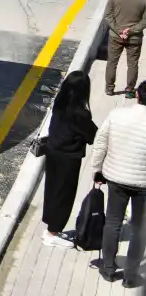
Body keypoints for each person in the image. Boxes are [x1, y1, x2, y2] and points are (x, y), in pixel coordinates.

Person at [91, 81, 146, 285]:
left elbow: (101, 142)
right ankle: (131, 276)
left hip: (116, 178)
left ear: (138, 96)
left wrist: (97, 169)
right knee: (140, 228)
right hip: (143, 184)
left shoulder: (117, 114)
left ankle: (108, 269)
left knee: (113, 222)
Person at [41, 71, 98, 247]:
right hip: (69, 158)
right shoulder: (79, 113)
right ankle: (53, 233)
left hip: (53, 153)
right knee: (64, 195)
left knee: (52, 190)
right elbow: (93, 135)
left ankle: (50, 227)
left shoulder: (59, 104)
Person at [105, 0, 146, 97]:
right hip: (134, 39)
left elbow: (108, 15)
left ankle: (109, 89)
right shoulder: (143, 0)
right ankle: (129, 90)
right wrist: (131, 30)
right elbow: (144, 21)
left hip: (115, 37)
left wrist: (119, 30)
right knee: (132, 64)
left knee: (112, 62)